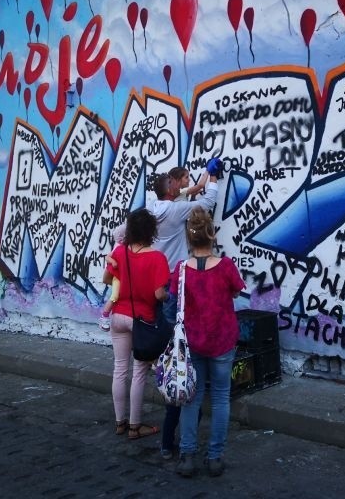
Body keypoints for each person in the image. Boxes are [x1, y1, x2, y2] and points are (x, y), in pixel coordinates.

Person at [152, 159, 223, 459]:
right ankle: (188, 378)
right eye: (175, 182)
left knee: (173, 346)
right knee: (185, 347)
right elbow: (204, 203)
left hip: (163, 284)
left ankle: (168, 443)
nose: (178, 184)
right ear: (169, 187)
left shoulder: (153, 208)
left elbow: (188, 192)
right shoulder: (177, 210)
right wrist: (215, 179)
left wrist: (201, 178)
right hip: (177, 282)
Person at [173, 207, 245, 478]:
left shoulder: (181, 271)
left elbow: (173, 302)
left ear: (189, 239)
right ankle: (215, 457)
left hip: (193, 342)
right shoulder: (225, 266)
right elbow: (237, 290)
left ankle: (188, 456)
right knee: (220, 398)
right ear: (212, 235)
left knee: (191, 400)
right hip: (222, 340)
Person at [103, 208, 169, 440]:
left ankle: (119, 422)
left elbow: (108, 278)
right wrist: (167, 297)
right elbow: (159, 294)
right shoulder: (157, 258)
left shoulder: (120, 252)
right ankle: (134, 426)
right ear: (151, 231)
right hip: (142, 320)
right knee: (140, 372)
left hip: (118, 316)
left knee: (120, 368)